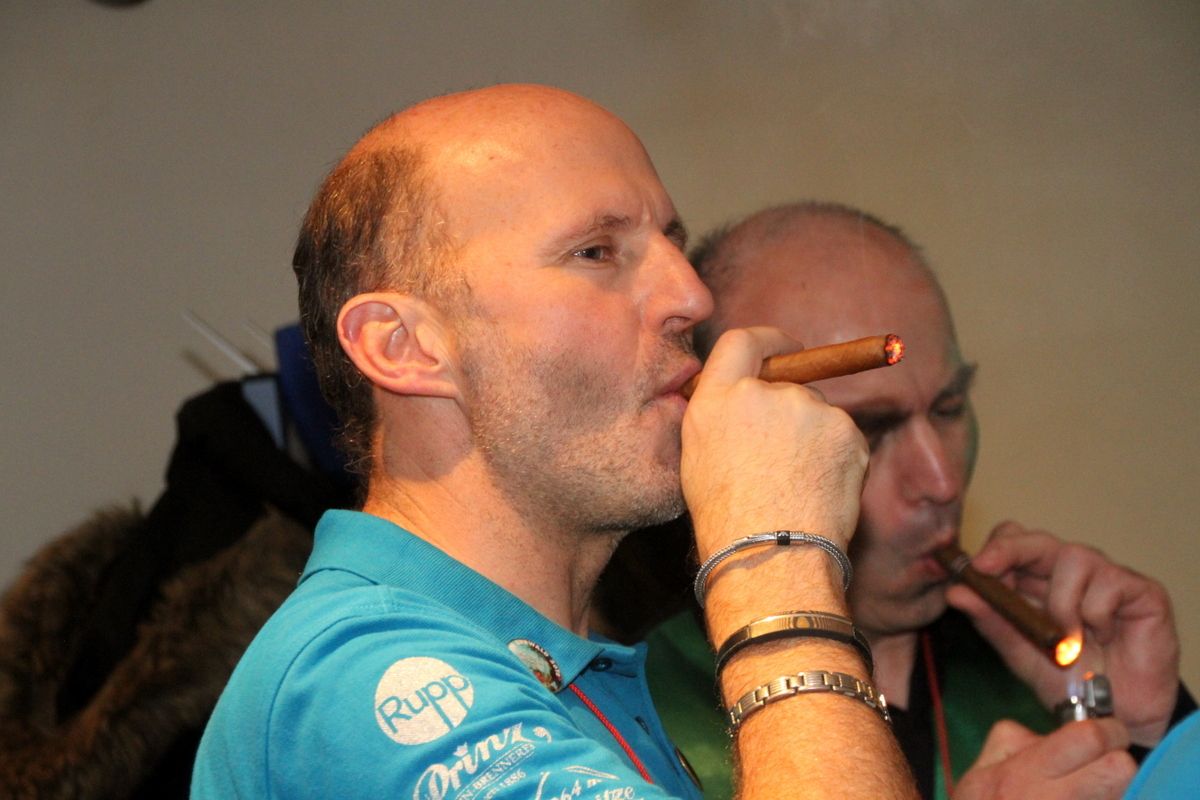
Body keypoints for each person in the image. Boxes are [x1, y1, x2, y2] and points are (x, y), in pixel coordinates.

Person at [191, 86, 925, 798]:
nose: (691, 297)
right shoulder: (371, 677)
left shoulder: (552, 671)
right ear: (403, 347)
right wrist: (774, 561)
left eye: (671, 242)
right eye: (597, 252)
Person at [638, 202, 1190, 799]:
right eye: (869, 430)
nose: (942, 480)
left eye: (948, 409)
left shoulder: (1028, 661)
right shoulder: (637, 713)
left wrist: (1155, 741)